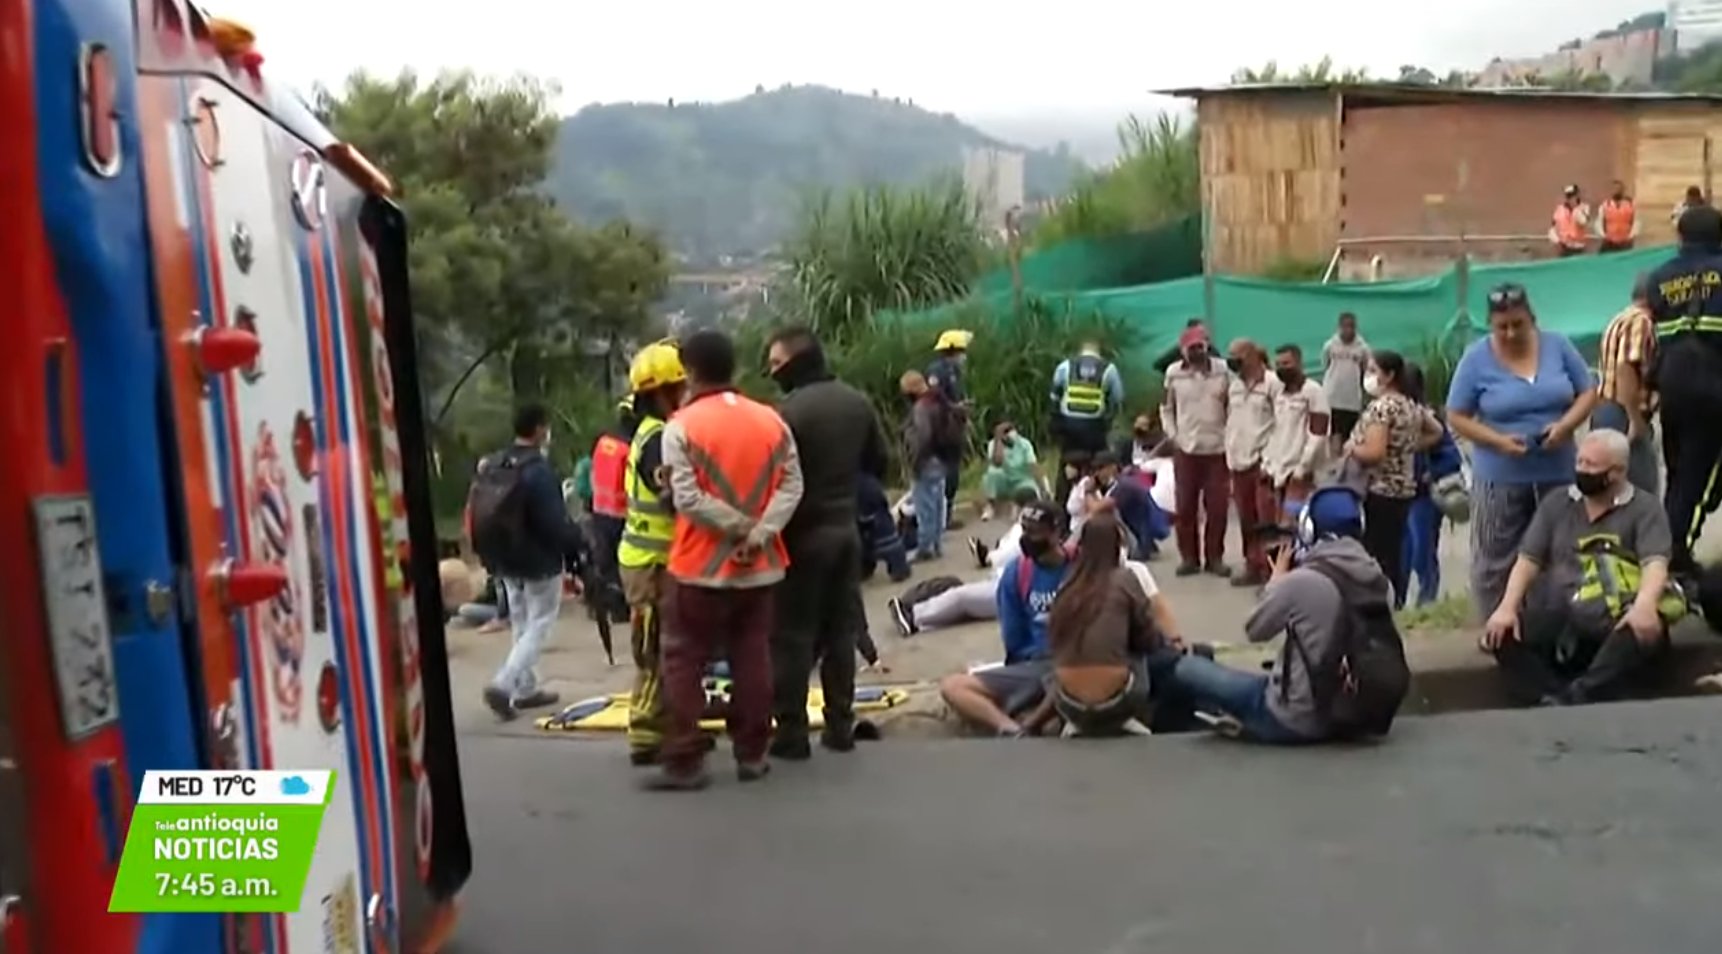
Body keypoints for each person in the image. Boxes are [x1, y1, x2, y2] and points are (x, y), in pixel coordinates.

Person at [648, 329, 805, 790]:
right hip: (760, 567)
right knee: (753, 656)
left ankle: (685, 760)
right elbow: (792, 485)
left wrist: (737, 528)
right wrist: (760, 534)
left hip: (697, 567)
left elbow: (689, 498)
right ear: (733, 367)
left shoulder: (681, 426)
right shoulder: (771, 420)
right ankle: (753, 754)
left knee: (683, 660)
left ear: (690, 372)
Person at [1168, 486, 1398, 744]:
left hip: (1291, 717)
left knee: (1187, 669)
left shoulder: (1302, 582)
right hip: (1353, 713)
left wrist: (1276, 582)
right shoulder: (1379, 582)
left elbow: (1255, 630)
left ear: (1310, 530)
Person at [1481, 430, 1683, 706]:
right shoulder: (1558, 503)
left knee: (1641, 631)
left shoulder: (1645, 509)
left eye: (1592, 466)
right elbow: (1528, 559)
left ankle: (1580, 693)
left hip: (1618, 612)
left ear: (1618, 472)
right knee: (1501, 634)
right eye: (1580, 463)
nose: (1583, 470)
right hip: (1567, 611)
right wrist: (1506, 607)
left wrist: (1645, 606)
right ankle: (1550, 694)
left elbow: (1655, 563)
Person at [766, 325, 889, 759]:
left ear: (797, 363)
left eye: (777, 365)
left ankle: (792, 733)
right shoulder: (857, 402)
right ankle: (840, 726)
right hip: (846, 532)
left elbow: (771, 478)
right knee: (841, 633)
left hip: (801, 537)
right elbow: (880, 463)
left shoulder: (786, 414)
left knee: (792, 637)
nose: (772, 372)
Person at [1447, 283, 1598, 619]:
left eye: (1518, 324)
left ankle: (1561, 620)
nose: (1511, 333)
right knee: (1495, 554)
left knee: (1563, 548)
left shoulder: (1557, 346)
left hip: (1557, 472)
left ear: (1532, 318)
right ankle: (1497, 622)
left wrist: (1565, 426)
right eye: (1502, 327)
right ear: (1491, 324)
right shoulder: (1476, 359)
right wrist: (1497, 441)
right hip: (1500, 475)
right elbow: (1456, 415)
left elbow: (1587, 392)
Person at [474, 404, 583, 720]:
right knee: (540, 623)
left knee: (521, 620)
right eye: (546, 427)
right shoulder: (537, 469)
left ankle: (526, 688)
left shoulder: (496, 463)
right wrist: (575, 546)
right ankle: (504, 684)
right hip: (538, 559)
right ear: (538, 429)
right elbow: (553, 521)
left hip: (503, 556)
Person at [936, 501, 1072, 737]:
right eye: (1024, 530)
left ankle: (1034, 715)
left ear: (1057, 532)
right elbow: (1014, 638)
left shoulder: (1083, 566)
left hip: (1078, 664)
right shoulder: (1016, 573)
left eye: (1035, 532)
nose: (1027, 538)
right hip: (1035, 667)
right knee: (954, 686)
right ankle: (1010, 728)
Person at [1038, 517, 1178, 737]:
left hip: (1066, 702)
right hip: (1119, 700)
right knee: (1150, 655)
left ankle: (1070, 718)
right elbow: (1147, 638)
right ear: (1117, 546)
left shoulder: (1067, 584)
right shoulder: (1126, 578)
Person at [616, 340, 688, 765]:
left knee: (657, 644)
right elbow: (672, 496)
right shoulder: (657, 439)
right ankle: (646, 733)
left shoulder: (644, 431)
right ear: (662, 392)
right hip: (652, 563)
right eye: (680, 388)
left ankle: (658, 725)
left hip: (644, 559)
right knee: (655, 646)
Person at [1645, 204, 1722, 582]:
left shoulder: (1659, 278)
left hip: (1673, 385)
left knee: (1679, 473)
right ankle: (1674, 550)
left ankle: (1670, 547)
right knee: (1702, 474)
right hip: (1713, 382)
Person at [1343, 350, 1442, 598]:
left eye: (1374, 371)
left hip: (1379, 488)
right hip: (1403, 488)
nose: (1369, 377)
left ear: (1389, 375)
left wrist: (1352, 448)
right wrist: (1407, 447)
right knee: (1395, 551)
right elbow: (1436, 431)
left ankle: (1380, 603)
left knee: (1378, 553)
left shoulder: (1382, 408)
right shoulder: (1409, 405)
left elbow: (1375, 453)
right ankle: (1395, 600)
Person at [1161, 324, 1231, 577]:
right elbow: (1166, 408)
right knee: (1185, 508)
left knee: (1218, 508)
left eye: (1201, 347)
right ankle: (1189, 558)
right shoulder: (1173, 373)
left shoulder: (1222, 371)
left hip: (1217, 449)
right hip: (1186, 449)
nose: (1198, 352)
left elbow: (1231, 404)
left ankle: (1215, 558)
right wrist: (1173, 435)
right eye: (1192, 349)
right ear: (1183, 351)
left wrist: (1230, 434)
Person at [1398, 364, 1461, 609]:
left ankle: (1428, 599)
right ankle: (1400, 601)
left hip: (1423, 497)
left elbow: (1451, 457)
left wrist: (1429, 473)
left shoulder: (1428, 418)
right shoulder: (1395, 415)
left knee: (1421, 550)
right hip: (1400, 495)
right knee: (1403, 553)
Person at [1593, 273, 1660, 494]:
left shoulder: (1620, 318)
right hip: (1622, 413)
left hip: (1607, 409)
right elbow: (1626, 368)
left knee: (1610, 490)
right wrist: (1635, 420)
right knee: (1642, 491)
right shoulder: (1641, 321)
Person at [1225, 338, 1279, 587]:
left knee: (1265, 518)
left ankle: (1271, 570)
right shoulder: (1234, 386)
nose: (1232, 360)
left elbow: (1281, 422)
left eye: (1237, 355)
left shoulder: (1272, 384)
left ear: (1251, 355)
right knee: (1246, 517)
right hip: (1237, 461)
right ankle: (1251, 565)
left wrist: (1272, 456)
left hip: (1262, 460)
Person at [1049, 339, 1124, 503]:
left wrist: (1057, 423)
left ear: (1080, 351)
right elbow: (1117, 398)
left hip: (1069, 424)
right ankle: (1101, 503)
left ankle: (1062, 508)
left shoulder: (1065, 366)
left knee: (1067, 466)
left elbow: (1054, 396)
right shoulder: (1109, 369)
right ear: (1098, 353)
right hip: (1095, 426)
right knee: (1099, 465)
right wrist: (1108, 421)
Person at [1262, 343, 1329, 521]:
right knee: (1276, 526)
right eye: (1278, 365)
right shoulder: (1279, 393)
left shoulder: (1313, 391)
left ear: (1299, 363)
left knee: (1293, 523)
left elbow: (1319, 434)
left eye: (1286, 363)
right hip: (1278, 472)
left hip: (1301, 475)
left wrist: (1302, 468)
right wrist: (1267, 463)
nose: (1282, 369)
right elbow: (1276, 431)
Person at [587, 395, 637, 624]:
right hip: (622, 512)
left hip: (600, 509)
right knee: (621, 563)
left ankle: (599, 604)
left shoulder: (603, 441)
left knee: (604, 561)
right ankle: (619, 608)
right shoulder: (630, 447)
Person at [900, 369, 958, 561]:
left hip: (926, 460)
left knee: (924, 506)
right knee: (938, 502)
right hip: (943, 458)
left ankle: (924, 548)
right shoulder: (939, 400)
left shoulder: (921, 408)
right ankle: (937, 544)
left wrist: (915, 461)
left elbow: (923, 436)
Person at [1064, 450, 1166, 560]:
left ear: (1112, 467)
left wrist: (1089, 491)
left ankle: (1070, 547)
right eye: (1095, 470)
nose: (1097, 473)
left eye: (1101, 468)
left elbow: (1095, 509)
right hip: (1138, 537)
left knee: (1096, 517)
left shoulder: (1123, 486)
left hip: (1138, 544)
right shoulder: (1121, 483)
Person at [927, 329, 973, 529]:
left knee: (952, 471)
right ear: (952, 350)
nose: (964, 356)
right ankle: (941, 517)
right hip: (943, 428)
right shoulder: (937, 370)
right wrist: (954, 407)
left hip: (953, 426)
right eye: (961, 351)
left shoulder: (953, 370)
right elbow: (935, 394)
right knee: (946, 471)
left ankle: (946, 514)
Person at [981, 419, 1045, 522]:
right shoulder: (993, 444)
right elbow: (997, 462)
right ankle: (990, 506)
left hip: (1022, 480)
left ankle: (1017, 506)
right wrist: (999, 439)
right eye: (1004, 432)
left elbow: (1033, 465)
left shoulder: (1024, 444)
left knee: (1029, 491)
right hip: (1004, 481)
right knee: (992, 472)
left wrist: (1043, 486)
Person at [1321, 312, 1371, 443]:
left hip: (1352, 399)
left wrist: (1365, 395)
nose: (1348, 330)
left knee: (1348, 435)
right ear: (1339, 327)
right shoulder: (1330, 346)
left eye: (1351, 326)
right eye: (1345, 326)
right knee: (1332, 432)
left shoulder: (1363, 349)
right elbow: (1325, 365)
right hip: (1332, 396)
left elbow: (1366, 371)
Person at [857, 472, 911, 583]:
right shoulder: (870, 481)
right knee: (892, 544)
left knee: (865, 543)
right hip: (880, 519)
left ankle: (865, 567)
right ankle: (899, 569)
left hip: (865, 522)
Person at [1596, 180, 1638, 253]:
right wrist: (1603, 235)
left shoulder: (1630, 204)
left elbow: (1635, 221)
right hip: (1609, 241)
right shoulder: (1605, 205)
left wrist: (1631, 235)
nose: (1617, 191)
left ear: (1623, 190)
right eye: (1615, 189)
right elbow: (1599, 222)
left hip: (1625, 242)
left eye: (1619, 189)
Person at [1550, 183, 1590, 257]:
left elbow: (1583, 222)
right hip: (1564, 247)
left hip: (1579, 247)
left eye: (1573, 196)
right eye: (1569, 196)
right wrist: (1557, 241)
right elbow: (1553, 228)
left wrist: (1576, 208)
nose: (1571, 199)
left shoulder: (1584, 208)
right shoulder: (1559, 209)